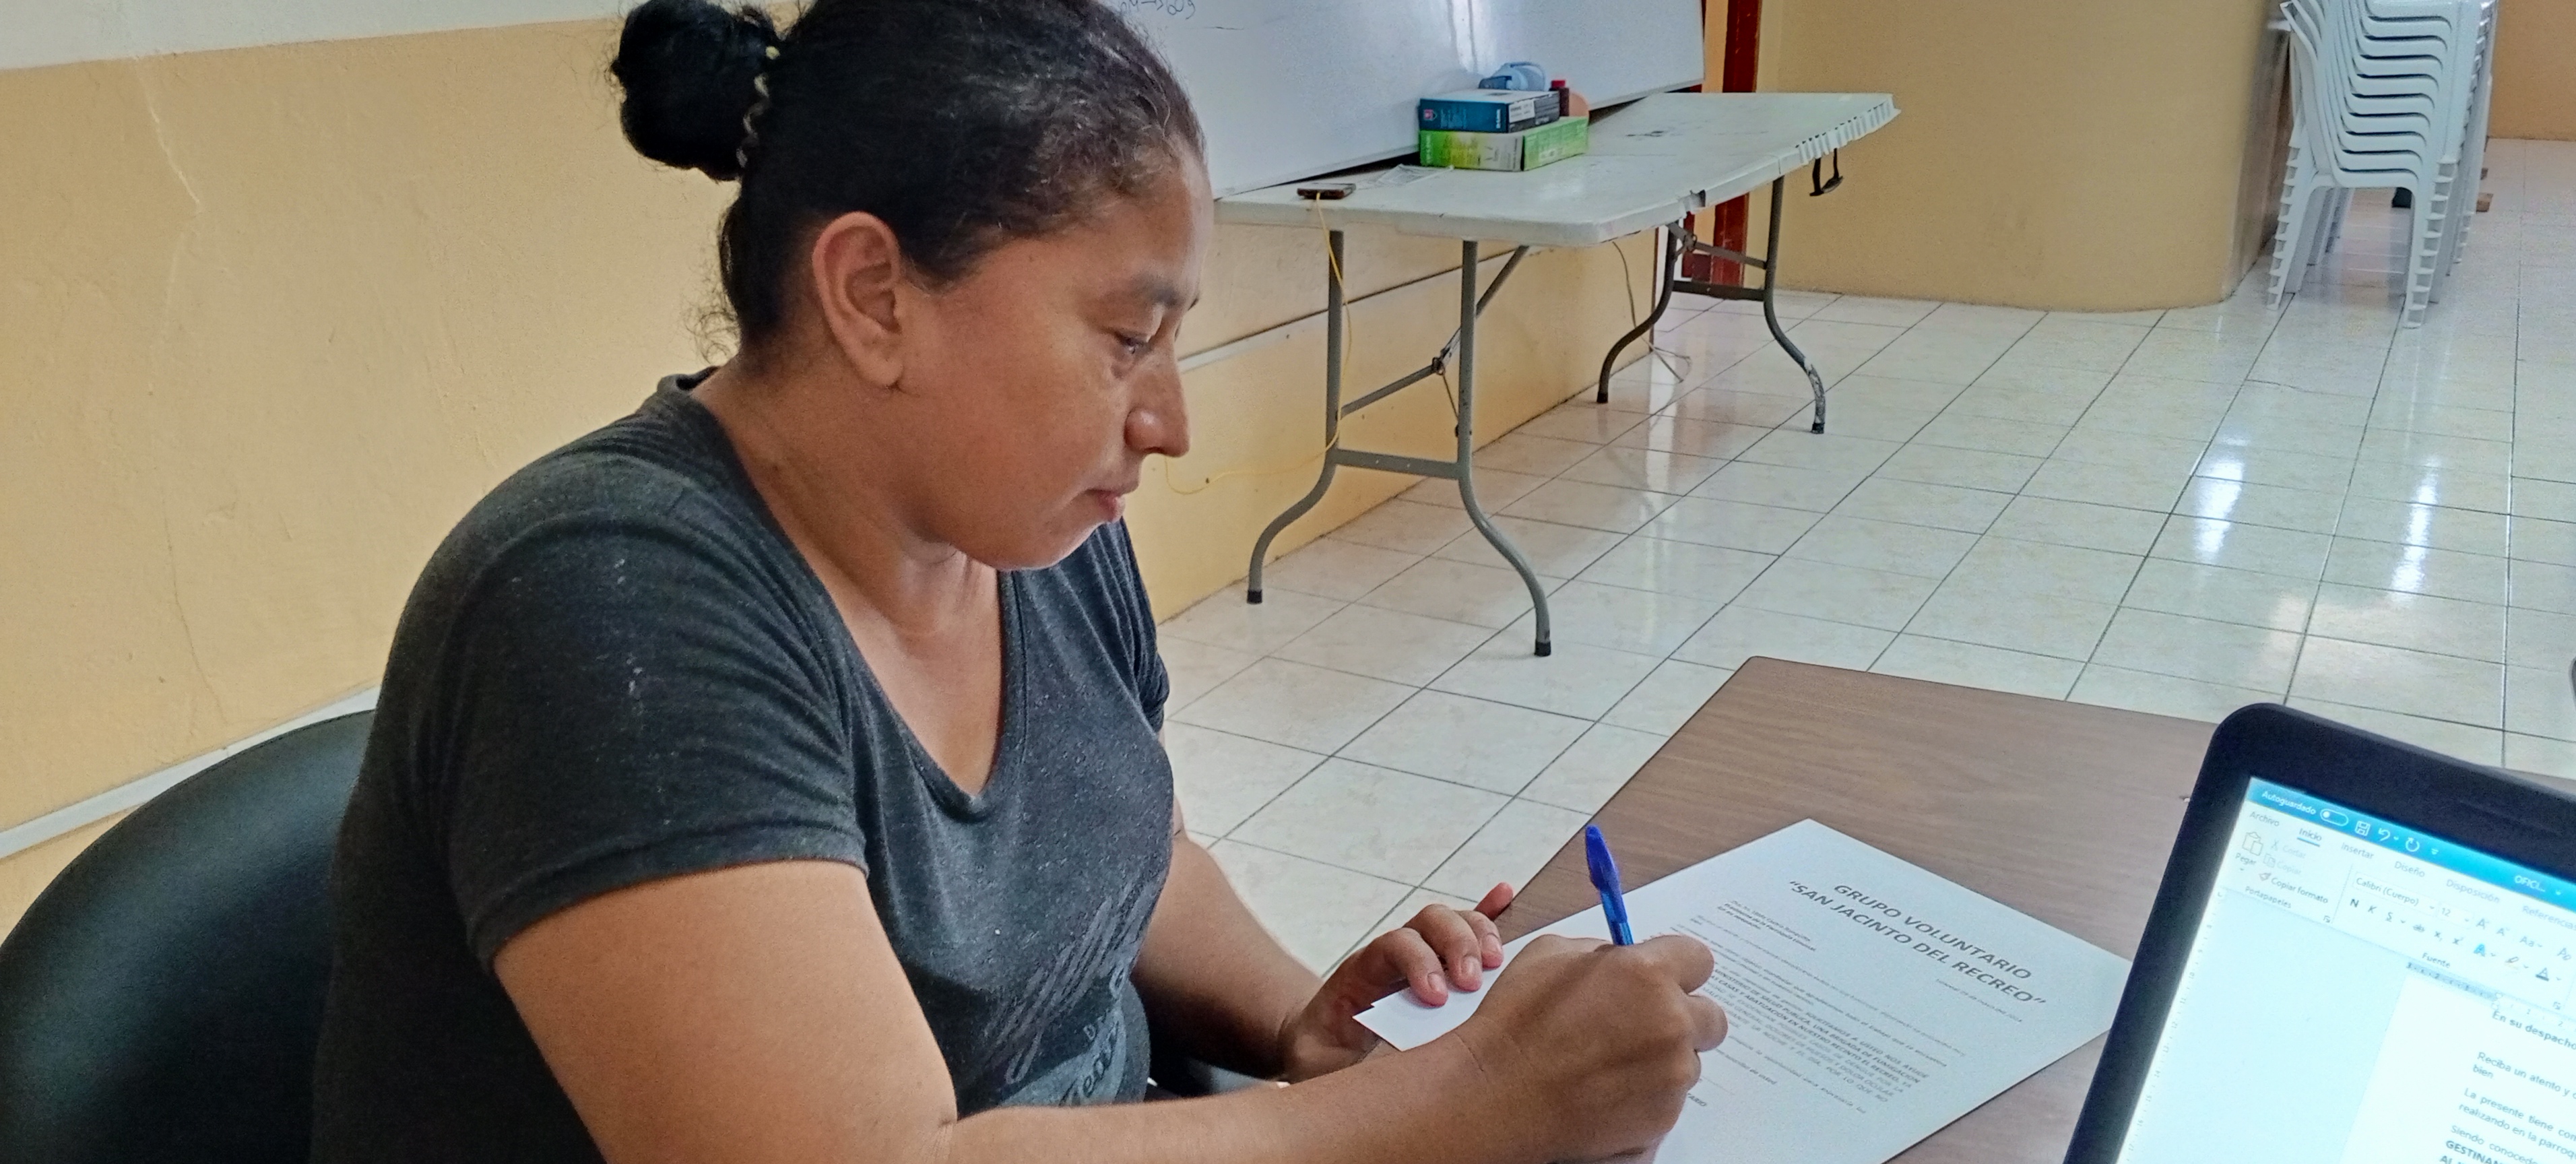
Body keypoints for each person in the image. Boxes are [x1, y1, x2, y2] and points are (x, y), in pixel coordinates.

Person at [310, 1, 1727, 1161]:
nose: (1169, 421)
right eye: (1126, 339)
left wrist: (1305, 1026)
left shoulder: (1024, 522)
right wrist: (1451, 1106)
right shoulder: (606, 604)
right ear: (874, 297)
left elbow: (1125, 857)